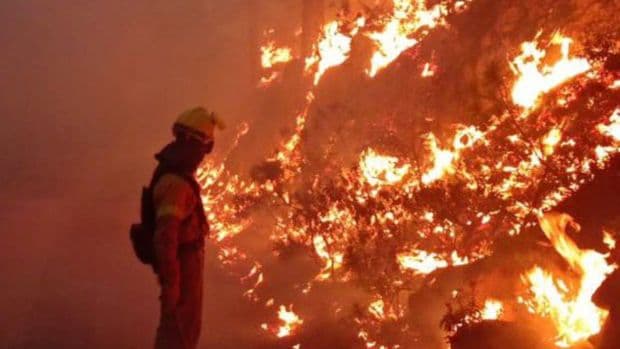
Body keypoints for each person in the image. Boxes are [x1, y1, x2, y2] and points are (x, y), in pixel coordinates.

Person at [152, 107, 224, 349]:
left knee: (185, 331)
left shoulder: (178, 176)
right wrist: (172, 284)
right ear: (196, 143)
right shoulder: (175, 184)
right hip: (182, 269)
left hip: (186, 265)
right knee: (179, 335)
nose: (205, 155)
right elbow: (166, 235)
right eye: (206, 147)